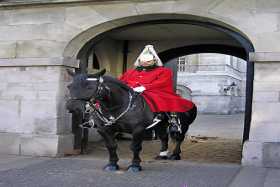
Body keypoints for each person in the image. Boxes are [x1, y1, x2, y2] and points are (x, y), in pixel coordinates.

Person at [119, 45, 195, 132]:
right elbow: (121, 81)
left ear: (154, 61)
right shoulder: (130, 72)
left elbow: (161, 82)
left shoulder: (164, 71)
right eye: (143, 61)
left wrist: (144, 87)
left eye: (148, 61)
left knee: (166, 100)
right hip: (131, 91)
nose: (145, 63)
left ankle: (173, 121)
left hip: (153, 91)